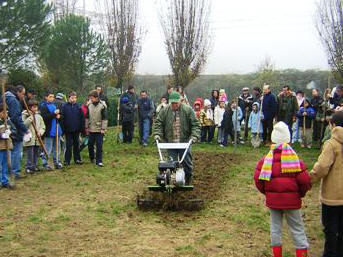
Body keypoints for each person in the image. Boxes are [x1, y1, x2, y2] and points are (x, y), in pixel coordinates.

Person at [254, 121, 311, 257]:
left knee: (275, 229)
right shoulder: (295, 160)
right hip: (292, 202)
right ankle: (302, 253)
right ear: (288, 140)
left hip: (274, 201)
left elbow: (258, 180)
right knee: (297, 229)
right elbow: (305, 181)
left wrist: (267, 192)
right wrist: (299, 194)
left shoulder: (265, 160)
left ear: (273, 139)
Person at [310, 111, 343, 257]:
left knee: (330, 229)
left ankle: (330, 254)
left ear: (333, 125)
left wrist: (309, 179)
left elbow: (322, 167)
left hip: (333, 196)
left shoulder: (332, 144)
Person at [153, 91, 200, 185]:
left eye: (176, 103)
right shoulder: (165, 110)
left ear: (180, 101)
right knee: (171, 163)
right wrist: (157, 134)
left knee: (186, 163)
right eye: (172, 103)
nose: (174, 105)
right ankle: (172, 182)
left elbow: (195, 125)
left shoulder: (188, 110)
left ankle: (187, 179)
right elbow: (158, 123)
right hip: (171, 142)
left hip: (185, 142)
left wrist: (194, 136)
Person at [4, 85, 29, 179]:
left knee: (10, 152)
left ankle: (9, 173)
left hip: (8, 129)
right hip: (15, 130)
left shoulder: (5, 97)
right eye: (23, 94)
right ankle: (15, 172)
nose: (23, 96)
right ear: (18, 92)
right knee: (16, 152)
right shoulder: (14, 101)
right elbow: (15, 118)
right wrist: (25, 130)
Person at [40, 92, 63, 170]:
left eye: (53, 97)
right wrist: (53, 114)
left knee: (57, 147)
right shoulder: (43, 107)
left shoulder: (55, 105)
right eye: (50, 97)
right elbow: (44, 118)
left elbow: (59, 115)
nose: (52, 98)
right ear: (46, 97)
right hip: (49, 130)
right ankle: (45, 163)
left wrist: (59, 116)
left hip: (56, 128)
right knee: (48, 148)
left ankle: (57, 161)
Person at [22, 100, 45, 174]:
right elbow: (23, 125)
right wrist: (29, 119)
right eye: (34, 107)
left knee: (36, 153)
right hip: (29, 138)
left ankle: (34, 166)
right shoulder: (25, 115)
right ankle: (28, 167)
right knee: (30, 154)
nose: (35, 109)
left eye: (36, 107)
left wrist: (40, 132)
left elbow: (43, 126)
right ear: (29, 107)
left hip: (37, 138)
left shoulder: (39, 116)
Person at [61, 92, 84, 166]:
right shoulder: (64, 107)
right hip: (68, 130)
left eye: (75, 98)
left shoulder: (78, 107)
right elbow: (62, 119)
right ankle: (67, 160)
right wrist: (63, 129)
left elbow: (81, 118)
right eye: (72, 98)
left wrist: (81, 128)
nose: (74, 99)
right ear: (69, 98)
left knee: (76, 145)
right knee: (68, 145)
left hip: (76, 129)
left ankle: (77, 159)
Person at [86, 90, 108, 167]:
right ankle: (92, 158)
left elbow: (105, 118)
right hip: (91, 129)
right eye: (90, 98)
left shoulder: (102, 106)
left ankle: (99, 161)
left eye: (92, 98)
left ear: (97, 98)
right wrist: (86, 128)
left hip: (99, 130)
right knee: (90, 144)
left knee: (99, 145)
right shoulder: (89, 105)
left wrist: (103, 129)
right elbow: (87, 117)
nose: (91, 99)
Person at [0, 103, 15, 189]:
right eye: (4, 113)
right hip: (0, 146)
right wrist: (1, 135)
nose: (6, 114)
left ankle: (5, 181)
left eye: (7, 112)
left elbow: (14, 129)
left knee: (6, 165)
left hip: (7, 146)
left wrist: (10, 132)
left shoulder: (8, 121)